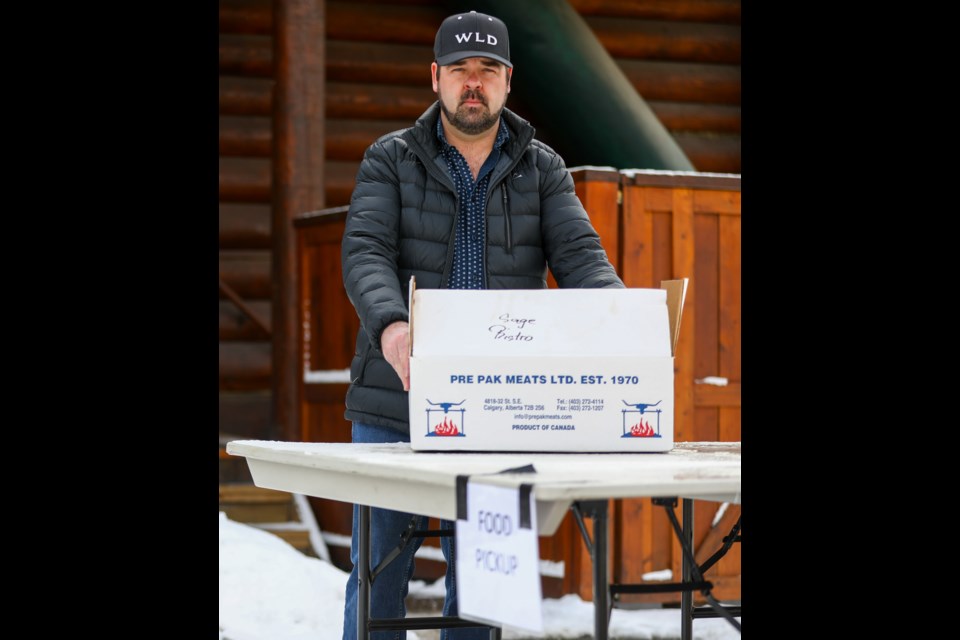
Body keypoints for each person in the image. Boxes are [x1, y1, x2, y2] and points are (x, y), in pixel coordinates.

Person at [339, 10, 625, 639]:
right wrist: (392, 328)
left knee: (486, 581)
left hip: (502, 409)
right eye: (461, 70)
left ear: (508, 82)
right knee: (378, 577)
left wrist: (624, 326)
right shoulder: (389, 157)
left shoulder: (543, 168)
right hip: (397, 402)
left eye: (487, 70)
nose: (474, 83)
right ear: (435, 77)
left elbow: (582, 261)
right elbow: (365, 253)